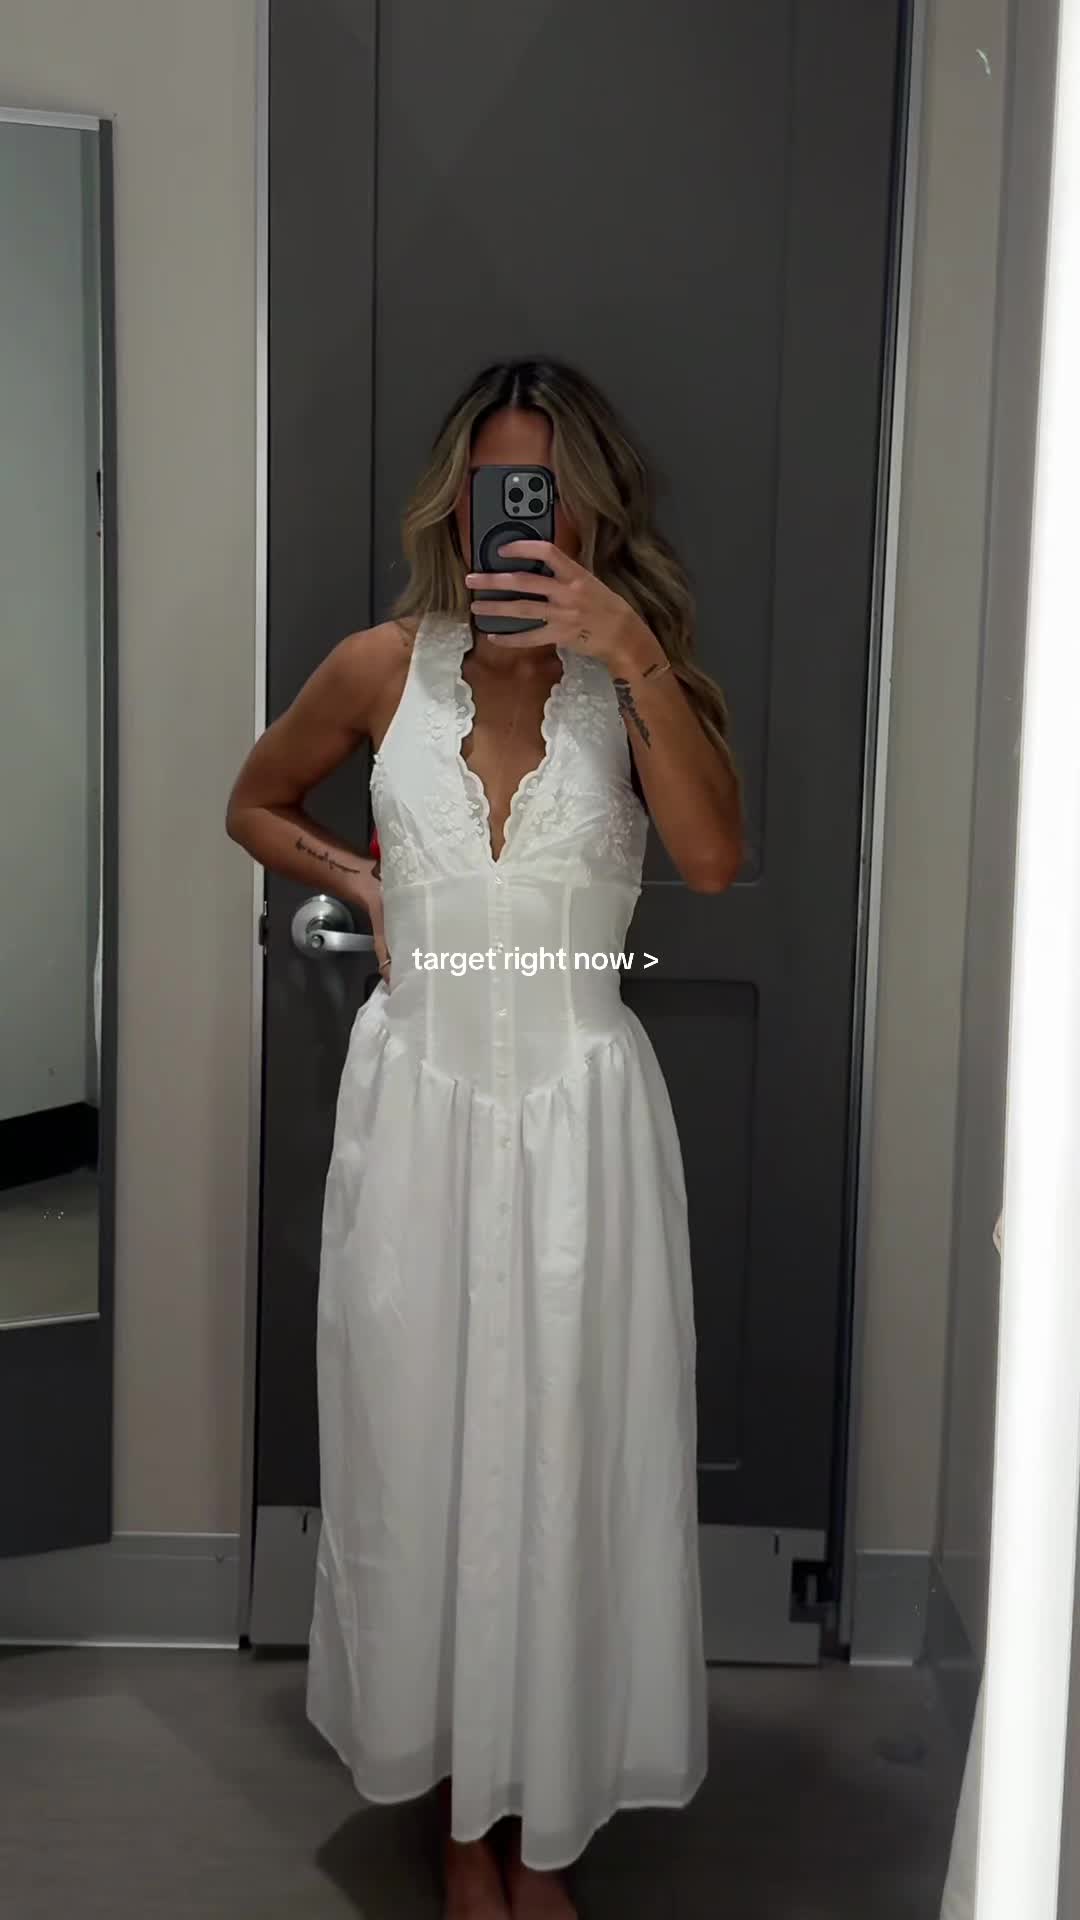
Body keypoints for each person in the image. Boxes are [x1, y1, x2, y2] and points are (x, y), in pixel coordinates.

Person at [226, 359, 744, 1919]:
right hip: (421, 1120)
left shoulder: (640, 678)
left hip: (583, 1127)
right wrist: (367, 881)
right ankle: (462, 1826)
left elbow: (713, 860)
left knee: (574, 1467)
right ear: (457, 504)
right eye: (493, 488)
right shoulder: (380, 667)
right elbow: (254, 802)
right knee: (424, 1457)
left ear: (592, 510)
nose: (517, 517)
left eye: (549, 491)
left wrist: (628, 648)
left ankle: (548, 1825)